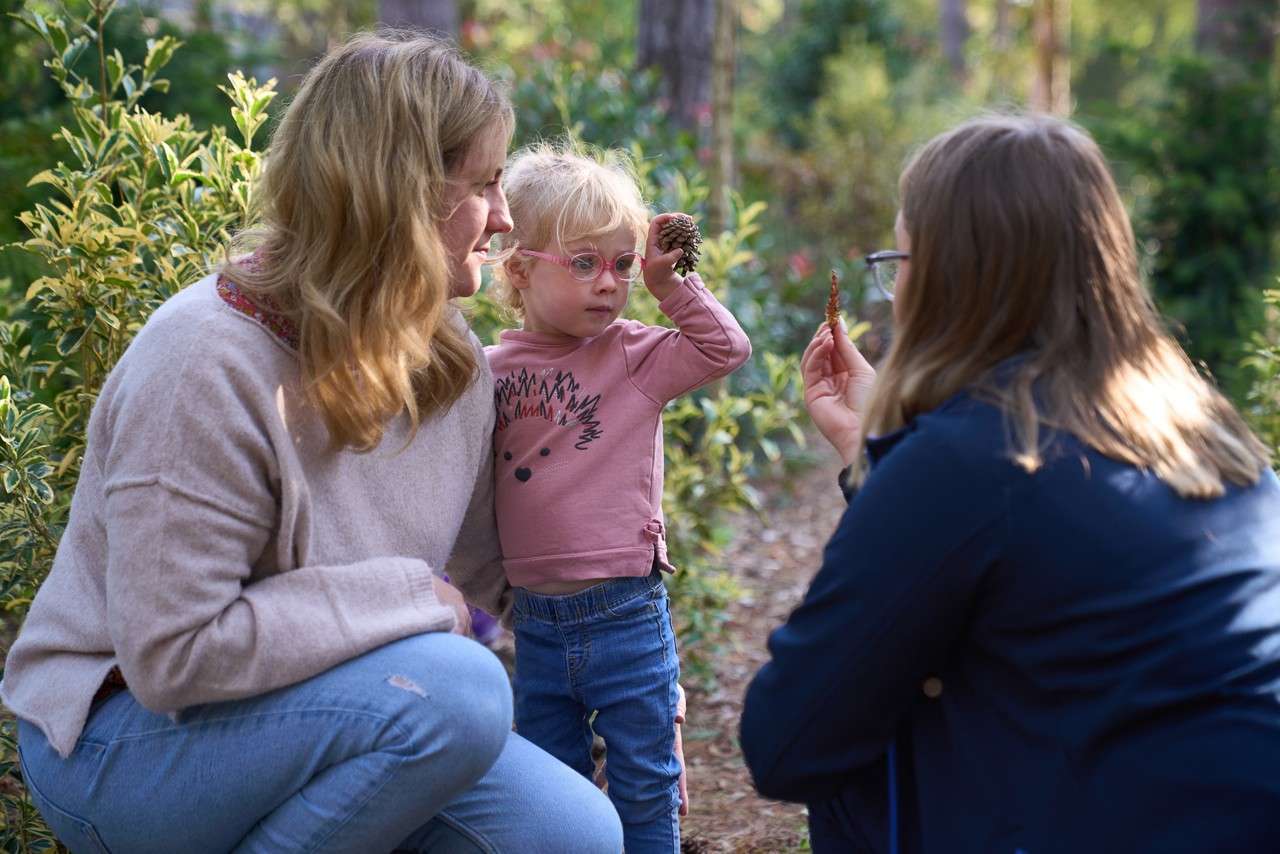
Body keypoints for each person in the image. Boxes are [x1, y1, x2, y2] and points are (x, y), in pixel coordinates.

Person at [2, 32, 623, 853]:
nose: (504, 217)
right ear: (397, 194)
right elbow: (173, 657)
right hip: (126, 741)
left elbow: (490, 574)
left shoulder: (448, 360)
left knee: (571, 835)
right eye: (483, 184)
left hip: (337, 711)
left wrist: (622, 664)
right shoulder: (203, 362)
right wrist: (409, 598)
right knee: (457, 691)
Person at [739, 114, 1280, 853]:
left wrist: (900, 467)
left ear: (946, 279)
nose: (893, 288)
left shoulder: (974, 461)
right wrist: (879, 456)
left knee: (858, 772)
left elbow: (787, 741)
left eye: (899, 259)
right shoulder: (1206, 433)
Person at [485, 141, 752, 853]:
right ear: (517, 269)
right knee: (551, 784)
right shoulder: (486, 373)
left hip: (627, 615)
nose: (609, 283)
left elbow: (726, 349)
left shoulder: (635, 355)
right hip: (535, 624)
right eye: (583, 263)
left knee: (645, 778)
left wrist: (670, 286)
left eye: (621, 264)